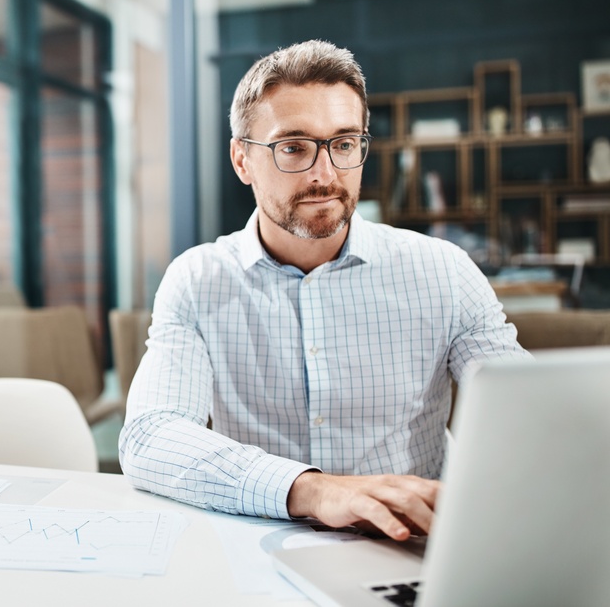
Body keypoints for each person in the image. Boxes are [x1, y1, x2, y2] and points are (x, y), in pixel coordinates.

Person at [118, 39, 526, 541]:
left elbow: (530, 412)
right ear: (242, 160)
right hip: (260, 546)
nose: (325, 173)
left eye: (344, 144)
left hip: (412, 548)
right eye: (294, 148)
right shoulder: (198, 280)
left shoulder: (443, 271)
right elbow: (149, 438)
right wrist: (314, 491)